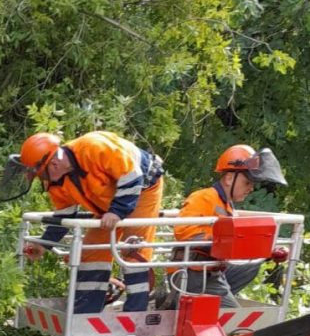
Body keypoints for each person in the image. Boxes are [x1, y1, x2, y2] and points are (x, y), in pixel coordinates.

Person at [15, 130, 164, 313]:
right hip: (110, 203)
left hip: (143, 189)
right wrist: (44, 244)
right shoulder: (58, 183)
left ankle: (135, 314)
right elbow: (64, 216)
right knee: (91, 252)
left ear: (53, 164)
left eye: (41, 175)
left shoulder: (94, 147)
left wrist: (117, 212)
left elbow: (132, 177)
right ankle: (86, 311)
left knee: (134, 248)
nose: (42, 180)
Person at [170, 144, 288, 308]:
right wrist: (220, 241)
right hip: (190, 272)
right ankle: (179, 306)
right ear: (229, 178)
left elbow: (236, 241)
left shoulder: (228, 207)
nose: (251, 188)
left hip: (211, 273)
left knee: (251, 267)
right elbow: (183, 232)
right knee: (218, 319)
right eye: (247, 182)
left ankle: (208, 306)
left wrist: (267, 250)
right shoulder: (203, 197)